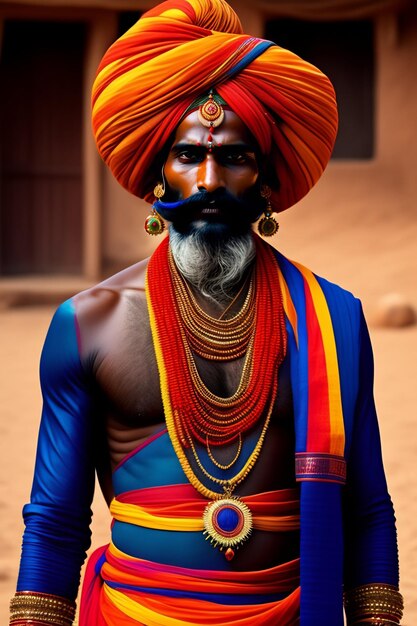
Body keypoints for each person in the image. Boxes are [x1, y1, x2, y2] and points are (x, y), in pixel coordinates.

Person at [10, 0, 403, 624]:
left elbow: (368, 511)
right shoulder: (91, 322)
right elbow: (56, 522)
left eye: (237, 157)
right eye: (189, 156)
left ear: (267, 179)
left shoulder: (334, 320)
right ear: (157, 175)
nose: (211, 180)